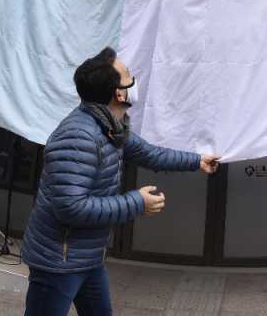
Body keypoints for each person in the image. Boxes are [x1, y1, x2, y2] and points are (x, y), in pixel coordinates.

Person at [21, 47, 220, 316]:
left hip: (88, 257)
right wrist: (136, 202)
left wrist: (197, 161)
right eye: (128, 76)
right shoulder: (78, 136)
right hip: (59, 260)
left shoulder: (111, 127)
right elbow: (70, 207)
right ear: (119, 93)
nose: (134, 80)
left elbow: (151, 154)